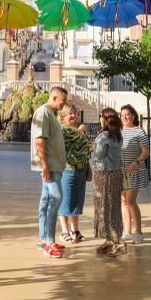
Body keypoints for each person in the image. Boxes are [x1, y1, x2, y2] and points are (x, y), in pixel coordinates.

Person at [31, 87, 68, 258]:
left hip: (54, 165)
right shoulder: (44, 113)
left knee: (46, 200)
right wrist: (45, 164)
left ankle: (43, 239)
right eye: (62, 100)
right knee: (56, 197)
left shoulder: (50, 114)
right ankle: (49, 241)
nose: (64, 104)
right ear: (54, 97)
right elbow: (40, 140)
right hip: (50, 166)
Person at [92, 108, 125, 256]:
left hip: (104, 175)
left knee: (104, 207)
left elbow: (98, 156)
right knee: (114, 207)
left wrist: (92, 148)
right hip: (116, 173)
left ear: (104, 119)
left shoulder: (103, 136)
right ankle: (111, 240)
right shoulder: (118, 135)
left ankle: (117, 242)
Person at [58, 104, 90, 243]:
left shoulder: (79, 129)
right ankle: (64, 231)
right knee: (66, 201)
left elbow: (85, 148)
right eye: (70, 113)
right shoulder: (62, 129)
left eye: (74, 113)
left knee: (77, 201)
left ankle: (75, 230)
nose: (73, 116)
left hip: (81, 169)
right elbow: (74, 135)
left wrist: (88, 167)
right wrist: (81, 129)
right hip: (68, 169)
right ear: (63, 116)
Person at [120, 104, 150, 244]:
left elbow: (145, 152)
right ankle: (127, 231)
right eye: (122, 115)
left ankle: (138, 232)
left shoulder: (139, 132)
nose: (125, 117)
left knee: (131, 201)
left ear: (133, 116)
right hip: (122, 172)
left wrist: (136, 163)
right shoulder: (119, 132)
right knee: (123, 201)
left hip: (135, 171)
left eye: (127, 114)